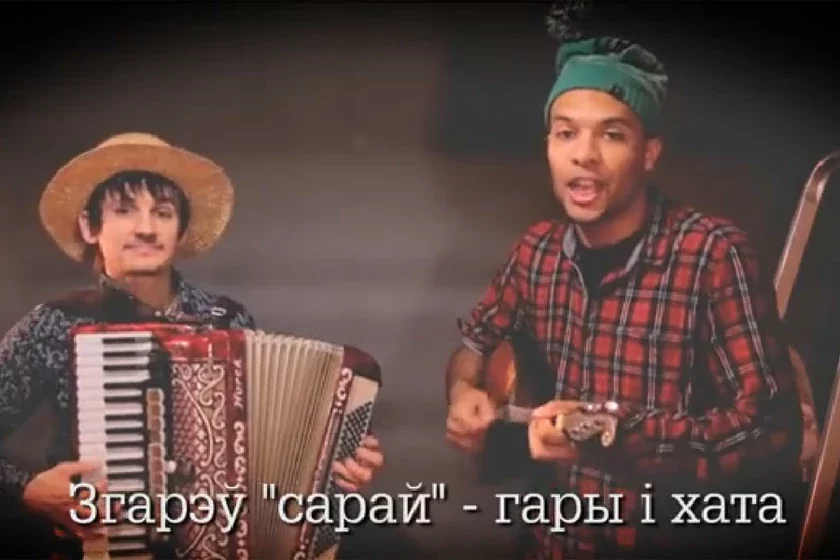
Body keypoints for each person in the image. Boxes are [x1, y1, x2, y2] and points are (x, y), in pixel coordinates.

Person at [444, 36, 805, 559]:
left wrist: (610, 433)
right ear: (549, 146)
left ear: (649, 152)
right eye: (566, 133)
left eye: (611, 135)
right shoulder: (536, 251)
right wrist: (463, 391)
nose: (584, 154)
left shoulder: (711, 253)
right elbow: (473, 347)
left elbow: (771, 434)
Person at [0, 133, 384, 557]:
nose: (146, 228)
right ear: (91, 227)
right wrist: (29, 490)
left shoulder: (226, 321)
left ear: (180, 230)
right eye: (124, 211)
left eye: (162, 213)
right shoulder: (56, 324)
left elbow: (270, 459)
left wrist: (337, 465)